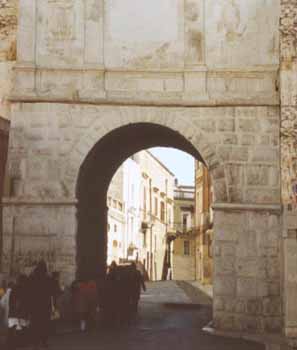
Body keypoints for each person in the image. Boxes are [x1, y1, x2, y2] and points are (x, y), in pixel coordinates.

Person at [28, 260, 54, 350]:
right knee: (45, 324)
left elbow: (28, 291)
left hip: (34, 305)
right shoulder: (48, 278)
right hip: (45, 305)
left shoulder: (32, 277)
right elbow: (53, 291)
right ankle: (44, 342)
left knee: (35, 323)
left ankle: (35, 343)